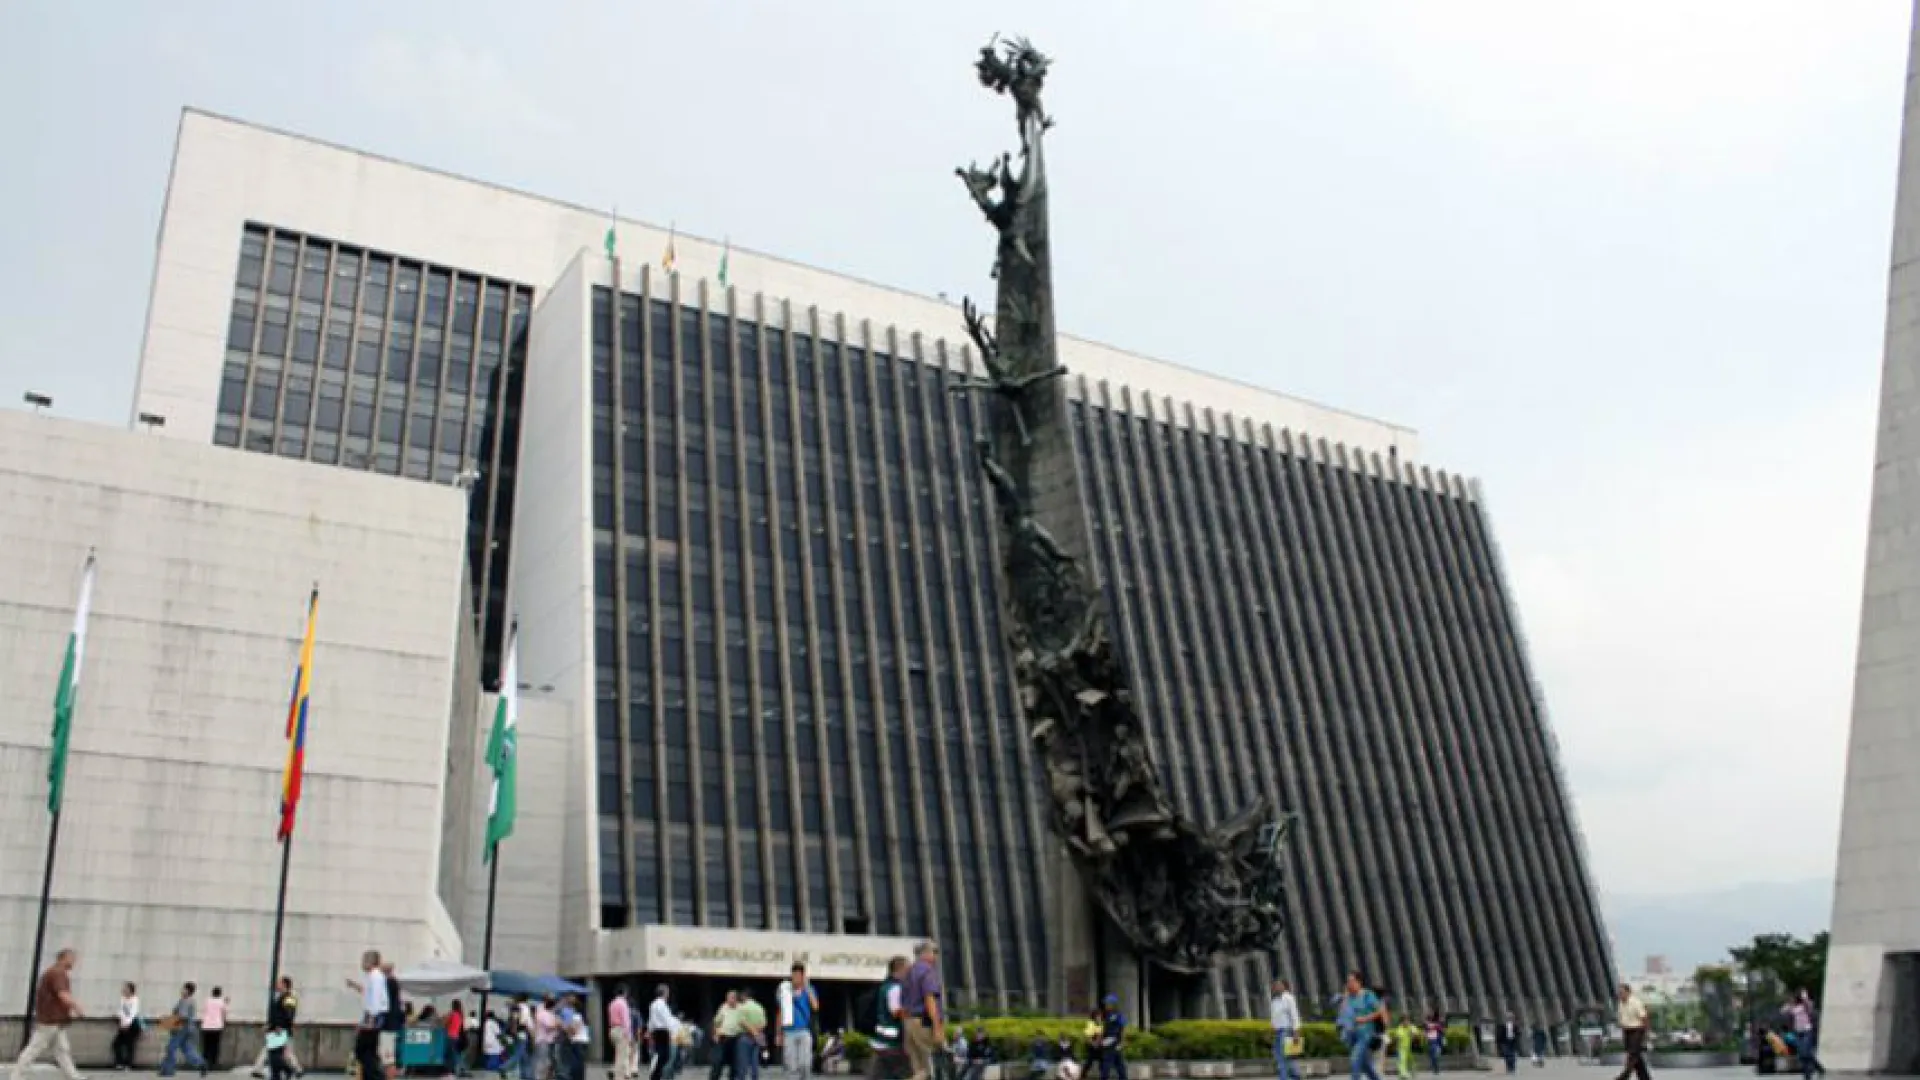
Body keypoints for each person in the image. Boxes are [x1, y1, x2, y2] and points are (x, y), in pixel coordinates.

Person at [13, 948, 85, 1080]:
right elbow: (62, 994)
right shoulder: (58, 973)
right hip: (50, 1019)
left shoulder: (54, 972)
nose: (74, 962)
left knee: (62, 1050)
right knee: (35, 1048)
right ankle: (17, 1075)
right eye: (72, 959)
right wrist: (76, 1006)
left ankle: (74, 1076)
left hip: (54, 1019)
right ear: (64, 958)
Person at [902, 942, 946, 1080]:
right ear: (926, 954)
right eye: (935, 951)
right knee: (931, 1066)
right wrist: (937, 1026)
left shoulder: (908, 972)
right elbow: (929, 998)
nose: (937, 956)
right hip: (923, 1021)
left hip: (909, 1022)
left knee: (919, 1069)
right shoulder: (927, 971)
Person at [348, 951, 390, 1080]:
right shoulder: (372, 976)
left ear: (371, 962)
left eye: (364, 959)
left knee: (363, 1049)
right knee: (368, 1050)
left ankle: (376, 1076)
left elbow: (375, 998)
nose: (362, 962)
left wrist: (371, 1018)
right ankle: (371, 1076)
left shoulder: (375, 976)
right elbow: (368, 993)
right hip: (372, 1015)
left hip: (373, 1015)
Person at [1336, 971, 1386, 1080]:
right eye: (1348, 981)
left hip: (1365, 1034)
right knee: (1365, 1065)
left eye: (1351, 981)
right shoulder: (1348, 996)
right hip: (1351, 1035)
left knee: (1355, 1059)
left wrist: (1365, 1019)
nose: (1349, 984)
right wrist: (1345, 997)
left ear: (1359, 982)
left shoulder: (1368, 995)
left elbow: (1379, 1011)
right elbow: (1342, 1012)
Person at [253, 978, 304, 1079]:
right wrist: (270, 1025)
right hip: (279, 1029)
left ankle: (291, 1070)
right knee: (283, 1051)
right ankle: (295, 1069)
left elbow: (288, 1014)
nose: (277, 985)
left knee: (273, 1050)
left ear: (285, 985)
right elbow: (279, 1014)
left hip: (280, 1030)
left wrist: (280, 1026)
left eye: (279, 983)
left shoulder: (289, 997)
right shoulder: (281, 997)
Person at [778, 964, 819, 1080]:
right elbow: (781, 1011)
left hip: (804, 1030)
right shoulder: (785, 990)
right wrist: (779, 1033)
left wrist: (807, 986)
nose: (795, 977)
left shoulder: (809, 990)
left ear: (803, 976)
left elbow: (815, 1006)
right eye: (794, 974)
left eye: (798, 975)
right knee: (791, 1065)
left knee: (805, 1064)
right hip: (789, 1031)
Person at [159, 982, 208, 1078]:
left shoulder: (185, 1001)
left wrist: (169, 1022)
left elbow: (183, 1016)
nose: (181, 990)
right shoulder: (189, 1000)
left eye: (183, 989)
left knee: (171, 1048)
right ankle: (201, 1063)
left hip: (181, 1028)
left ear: (188, 990)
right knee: (187, 1049)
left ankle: (168, 1070)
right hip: (188, 1028)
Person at [873, 958, 909, 1080]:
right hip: (894, 1043)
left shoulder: (885, 986)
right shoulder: (895, 988)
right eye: (907, 969)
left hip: (883, 1041)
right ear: (900, 969)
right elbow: (897, 1012)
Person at [1612, 984, 1652, 1080]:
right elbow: (1621, 1018)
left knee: (1632, 1055)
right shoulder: (1621, 1003)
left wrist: (1646, 1033)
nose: (1620, 995)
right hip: (1627, 1031)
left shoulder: (1636, 1003)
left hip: (1637, 1030)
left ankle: (1624, 1076)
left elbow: (1644, 1018)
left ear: (1628, 992)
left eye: (1622, 992)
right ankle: (1645, 1078)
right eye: (1619, 993)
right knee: (1637, 1058)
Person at [1787, 991, 1825, 1079]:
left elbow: (1809, 1005)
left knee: (1805, 1053)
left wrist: (1805, 997)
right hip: (1798, 1032)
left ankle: (1809, 1074)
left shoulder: (1806, 1005)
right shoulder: (1793, 1007)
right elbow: (1785, 1012)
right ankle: (1816, 1068)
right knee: (1802, 1055)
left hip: (1807, 1031)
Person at [1269, 980, 1300, 1080]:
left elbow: (1294, 1016)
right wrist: (1271, 1032)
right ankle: (1289, 1077)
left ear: (1284, 986)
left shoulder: (1289, 998)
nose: (1276, 987)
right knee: (1280, 1059)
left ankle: (1290, 1077)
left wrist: (1296, 1033)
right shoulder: (1274, 1001)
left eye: (1279, 985)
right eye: (1275, 985)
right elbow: (1274, 1019)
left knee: (1287, 1058)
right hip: (1277, 1033)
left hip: (1287, 1031)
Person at [736, 991, 769, 1080]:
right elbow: (764, 1023)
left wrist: (752, 1031)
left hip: (745, 1036)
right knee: (755, 1061)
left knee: (743, 1062)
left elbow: (742, 1021)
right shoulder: (759, 1007)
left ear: (744, 996)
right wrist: (756, 1032)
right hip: (757, 1037)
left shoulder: (742, 1007)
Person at [710, 993, 742, 1080]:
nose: (729, 1000)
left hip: (736, 1038)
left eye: (731, 998)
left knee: (735, 1062)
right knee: (718, 1061)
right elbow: (716, 1022)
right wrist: (715, 1034)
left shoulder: (741, 1008)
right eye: (728, 998)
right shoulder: (723, 1007)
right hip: (723, 1038)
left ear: (736, 999)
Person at [650, 986, 678, 1080]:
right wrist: (673, 1031)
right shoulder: (662, 1004)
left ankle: (657, 1075)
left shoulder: (653, 1004)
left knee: (661, 1054)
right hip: (663, 1031)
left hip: (656, 1031)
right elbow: (667, 1019)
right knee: (664, 1055)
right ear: (664, 993)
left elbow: (652, 1020)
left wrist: (651, 1030)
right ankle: (656, 1075)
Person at [114, 981, 143, 1071]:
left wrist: (127, 1024)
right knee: (116, 1044)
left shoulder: (135, 1000)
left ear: (130, 990)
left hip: (133, 1024)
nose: (124, 990)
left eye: (126, 988)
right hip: (123, 1024)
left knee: (129, 1044)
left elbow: (133, 1013)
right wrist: (122, 1022)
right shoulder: (122, 999)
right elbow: (120, 1011)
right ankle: (120, 1063)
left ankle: (128, 1064)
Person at [1096, 996, 1126, 1080]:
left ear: (1113, 1005)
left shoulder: (1119, 1015)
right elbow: (1102, 1029)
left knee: (1108, 1063)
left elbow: (1123, 1029)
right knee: (1118, 1063)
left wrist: (1122, 1042)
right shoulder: (1106, 1016)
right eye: (1106, 1004)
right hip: (1108, 1041)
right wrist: (1100, 1040)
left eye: (1108, 1004)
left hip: (1113, 1041)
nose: (1106, 1005)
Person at [609, 988, 636, 1080]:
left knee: (618, 1054)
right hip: (621, 1030)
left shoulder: (612, 1003)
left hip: (613, 1029)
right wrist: (629, 1035)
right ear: (625, 993)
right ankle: (619, 1077)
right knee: (622, 1056)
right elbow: (626, 1020)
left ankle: (620, 1074)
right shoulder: (623, 1004)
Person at [201, 988, 229, 1071]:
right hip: (217, 1026)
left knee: (206, 1046)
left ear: (212, 993)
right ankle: (213, 1063)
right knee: (215, 1046)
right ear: (220, 994)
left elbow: (205, 1011)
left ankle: (204, 1062)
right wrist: (226, 1003)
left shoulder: (207, 1001)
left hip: (206, 1026)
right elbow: (224, 1013)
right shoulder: (221, 1002)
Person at [537, 997, 561, 1080]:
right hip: (544, 1041)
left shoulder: (551, 1014)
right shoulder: (544, 1014)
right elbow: (549, 1026)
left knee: (552, 1062)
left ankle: (548, 1077)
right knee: (544, 1062)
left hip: (551, 1041)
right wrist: (558, 1024)